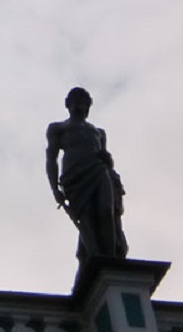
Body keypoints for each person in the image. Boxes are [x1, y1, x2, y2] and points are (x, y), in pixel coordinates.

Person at [46, 87, 128, 264]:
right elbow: (51, 159)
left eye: (83, 101)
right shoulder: (58, 128)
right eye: (75, 100)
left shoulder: (99, 132)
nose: (79, 105)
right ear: (68, 104)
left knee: (106, 211)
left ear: (88, 106)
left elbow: (106, 158)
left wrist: (109, 161)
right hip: (75, 176)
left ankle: (111, 260)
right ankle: (94, 258)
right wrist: (55, 189)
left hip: (99, 172)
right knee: (86, 217)